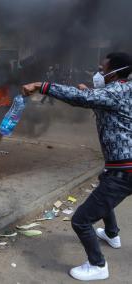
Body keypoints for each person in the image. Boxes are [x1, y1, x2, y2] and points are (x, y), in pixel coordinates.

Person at [22, 52, 132, 281]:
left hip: (124, 170)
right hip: (119, 167)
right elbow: (101, 100)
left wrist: (41, 86)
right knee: (104, 189)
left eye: (103, 70)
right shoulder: (123, 89)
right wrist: (89, 93)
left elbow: (82, 98)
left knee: (80, 220)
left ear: (116, 72)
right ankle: (112, 235)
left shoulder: (116, 91)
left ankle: (98, 265)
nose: (99, 73)